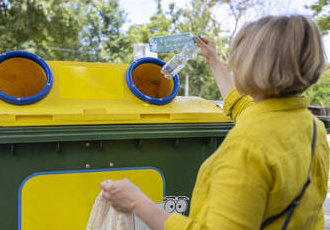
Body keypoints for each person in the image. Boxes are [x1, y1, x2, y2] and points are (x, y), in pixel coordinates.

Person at [100, 15, 329, 230]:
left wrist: (137, 203)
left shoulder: (247, 145)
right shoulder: (311, 126)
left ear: (253, 64)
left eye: (237, 56)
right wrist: (213, 60)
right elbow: (239, 106)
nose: (233, 64)